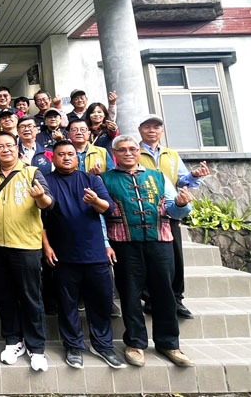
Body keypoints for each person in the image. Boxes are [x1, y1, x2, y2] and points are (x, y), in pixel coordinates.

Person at [102, 135, 195, 368]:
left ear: (139, 152)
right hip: (124, 243)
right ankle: (135, 343)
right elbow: (100, 216)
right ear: (114, 154)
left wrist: (181, 204)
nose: (128, 153)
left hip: (160, 242)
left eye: (132, 149)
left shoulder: (158, 177)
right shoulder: (105, 179)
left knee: (164, 293)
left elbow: (173, 210)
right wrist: (105, 243)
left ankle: (169, 342)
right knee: (130, 293)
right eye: (122, 150)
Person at [42, 140, 126, 369]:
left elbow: (108, 208)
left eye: (70, 154)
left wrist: (95, 201)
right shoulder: (46, 182)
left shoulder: (92, 180)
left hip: (94, 252)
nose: (66, 157)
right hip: (62, 255)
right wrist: (46, 246)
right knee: (67, 304)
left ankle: (103, 345)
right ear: (53, 158)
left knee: (100, 301)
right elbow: (40, 219)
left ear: (77, 157)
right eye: (61, 154)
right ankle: (73, 346)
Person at [0, 131, 54, 372]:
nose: (5, 150)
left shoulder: (32, 172)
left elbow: (48, 204)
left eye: (9, 145)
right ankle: (13, 340)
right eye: (0, 147)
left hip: (26, 246)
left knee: (30, 296)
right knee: (4, 295)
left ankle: (37, 346)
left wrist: (40, 197)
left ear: (17, 148)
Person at [138, 114, 210, 320]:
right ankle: (150, 299)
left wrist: (194, 176)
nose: (152, 130)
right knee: (148, 257)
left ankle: (176, 298)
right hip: (144, 210)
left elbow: (181, 180)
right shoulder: (134, 151)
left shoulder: (171, 155)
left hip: (171, 210)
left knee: (175, 255)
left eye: (156, 127)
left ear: (162, 131)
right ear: (140, 130)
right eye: (147, 127)